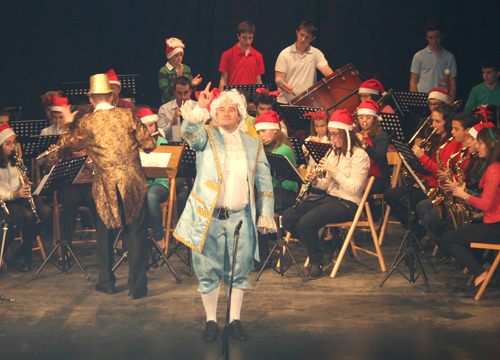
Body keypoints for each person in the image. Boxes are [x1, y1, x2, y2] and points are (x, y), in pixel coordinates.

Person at [173, 83, 275, 342]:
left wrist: (266, 213)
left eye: (233, 109)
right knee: (207, 271)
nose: (227, 113)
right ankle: (210, 321)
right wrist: (201, 108)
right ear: (215, 114)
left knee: (239, 271)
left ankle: (234, 320)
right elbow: (190, 133)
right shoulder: (206, 135)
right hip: (208, 218)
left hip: (241, 219)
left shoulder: (254, 143)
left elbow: (264, 181)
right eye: (222, 109)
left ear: (241, 114)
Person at [59, 73, 156, 299]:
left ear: (92, 99)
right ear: (112, 96)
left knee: (105, 233)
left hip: (105, 185)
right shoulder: (128, 115)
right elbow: (149, 144)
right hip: (132, 182)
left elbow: (66, 144)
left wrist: (67, 122)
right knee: (136, 231)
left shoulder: (86, 123)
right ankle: (137, 287)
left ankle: (106, 282)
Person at [282, 109, 370, 278]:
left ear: (346, 133)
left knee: (306, 223)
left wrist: (333, 170)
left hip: (348, 203)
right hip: (329, 197)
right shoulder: (333, 153)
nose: (333, 139)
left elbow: (354, 188)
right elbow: (326, 185)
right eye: (331, 135)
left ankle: (317, 262)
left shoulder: (360, 156)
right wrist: (316, 182)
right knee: (289, 216)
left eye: (336, 134)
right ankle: (321, 248)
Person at [441, 127, 500, 292]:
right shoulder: (495, 167)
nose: (478, 146)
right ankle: (486, 268)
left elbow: (487, 204)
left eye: (480, 143)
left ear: (491, 145)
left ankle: (481, 273)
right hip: (494, 222)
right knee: (457, 233)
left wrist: (463, 194)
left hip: (496, 227)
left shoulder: (494, 170)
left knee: (448, 238)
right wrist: (479, 214)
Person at [42, 104, 97, 248]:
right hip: (70, 184)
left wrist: (83, 156)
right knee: (71, 200)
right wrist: (52, 157)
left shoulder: (98, 139)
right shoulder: (67, 139)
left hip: (92, 183)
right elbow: (48, 167)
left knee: (95, 198)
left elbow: (96, 167)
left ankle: (105, 248)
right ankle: (66, 247)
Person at [0, 124, 52, 272]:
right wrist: (13, 194)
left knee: (46, 212)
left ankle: (23, 251)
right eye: (8, 144)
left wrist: (24, 181)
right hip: (5, 200)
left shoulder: (15, 159)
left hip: (18, 195)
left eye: (14, 142)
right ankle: (25, 255)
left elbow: (16, 182)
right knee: (27, 216)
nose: (13, 147)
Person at [254, 111, 298, 270]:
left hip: (285, 193)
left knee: (259, 210)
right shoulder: (267, 148)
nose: (260, 135)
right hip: (271, 192)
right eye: (258, 132)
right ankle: (257, 255)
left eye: (263, 131)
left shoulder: (283, 150)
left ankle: (263, 259)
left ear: (274, 130)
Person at [275, 21, 334, 105]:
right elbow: (279, 80)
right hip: (286, 102)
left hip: (308, 101)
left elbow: (324, 68)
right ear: (297, 33)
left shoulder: (316, 53)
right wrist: (286, 87)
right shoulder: (285, 54)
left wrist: (334, 78)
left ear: (312, 38)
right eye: (302, 35)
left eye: (307, 37)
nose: (303, 39)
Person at [137, 107, 169, 248]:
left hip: (159, 183)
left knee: (151, 196)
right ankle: (128, 239)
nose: (149, 129)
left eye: (151, 125)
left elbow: (166, 168)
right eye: (145, 126)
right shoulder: (134, 144)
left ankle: (159, 235)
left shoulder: (161, 142)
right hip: (140, 183)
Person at [355, 100, 391, 222]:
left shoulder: (382, 136)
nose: (364, 121)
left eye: (368, 117)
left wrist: (364, 144)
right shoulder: (355, 134)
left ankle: (375, 217)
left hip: (378, 178)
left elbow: (379, 158)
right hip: (360, 175)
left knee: (360, 188)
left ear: (374, 119)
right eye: (361, 117)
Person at [410, 19, 457, 102]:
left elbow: (452, 82)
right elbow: (413, 81)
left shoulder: (449, 57)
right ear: (426, 37)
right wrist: (416, 101)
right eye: (430, 38)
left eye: (437, 37)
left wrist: (450, 104)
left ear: (442, 36)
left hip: (442, 101)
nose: (434, 41)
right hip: (423, 100)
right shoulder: (419, 56)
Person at [218, 21, 265, 91]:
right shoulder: (227, 54)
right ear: (238, 36)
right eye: (244, 38)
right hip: (232, 97)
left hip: (250, 97)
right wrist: (220, 99)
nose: (248, 41)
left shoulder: (258, 56)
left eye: (250, 38)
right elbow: (223, 80)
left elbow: (258, 81)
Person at [159, 38, 202, 104]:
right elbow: (165, 93)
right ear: (170, 56)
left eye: (181, 55)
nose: (179, 57)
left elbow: (190, 92)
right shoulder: (164, 71)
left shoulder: (186, 68)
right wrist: (176, 79)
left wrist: (192, 85)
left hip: (186, 103)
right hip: (169, 104)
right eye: (176, 55)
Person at [157, 77, 198, 142]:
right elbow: (160, 136)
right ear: (174, 92)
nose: (183, 97)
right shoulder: (164, 109)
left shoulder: (198, 107)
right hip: (172, 147)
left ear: (190, 91)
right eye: (179, 93)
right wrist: (172, 123)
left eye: (186, 92)